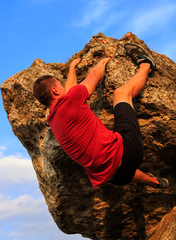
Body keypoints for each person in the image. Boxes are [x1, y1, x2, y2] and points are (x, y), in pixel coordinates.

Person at [33, 43, 169, 189]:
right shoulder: (71, 100)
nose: (63, 88)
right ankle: (146, 64)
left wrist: (72, 68)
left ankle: (154, 182)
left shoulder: (53, 121)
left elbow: (70, 90)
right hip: (130, 152)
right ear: (55, 90)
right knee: (121, 93)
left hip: (115, 178)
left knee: (114, 163)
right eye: (60, 85)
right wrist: (102, 61)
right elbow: (94, 76)